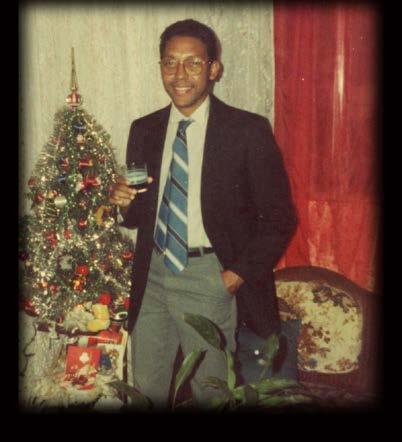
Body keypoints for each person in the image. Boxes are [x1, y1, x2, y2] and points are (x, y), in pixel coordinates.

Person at [109, 19, 297, 409]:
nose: (179, 74)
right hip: (152, 276)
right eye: (170, 62)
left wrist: (234, 276)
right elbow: (138, 213)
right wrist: (124, 203)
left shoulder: (247, 130)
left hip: (209, 276)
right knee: (146, 388)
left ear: (213, 68)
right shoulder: (144, 129)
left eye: (193, 62)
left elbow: (280, 218)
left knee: (212, 393)